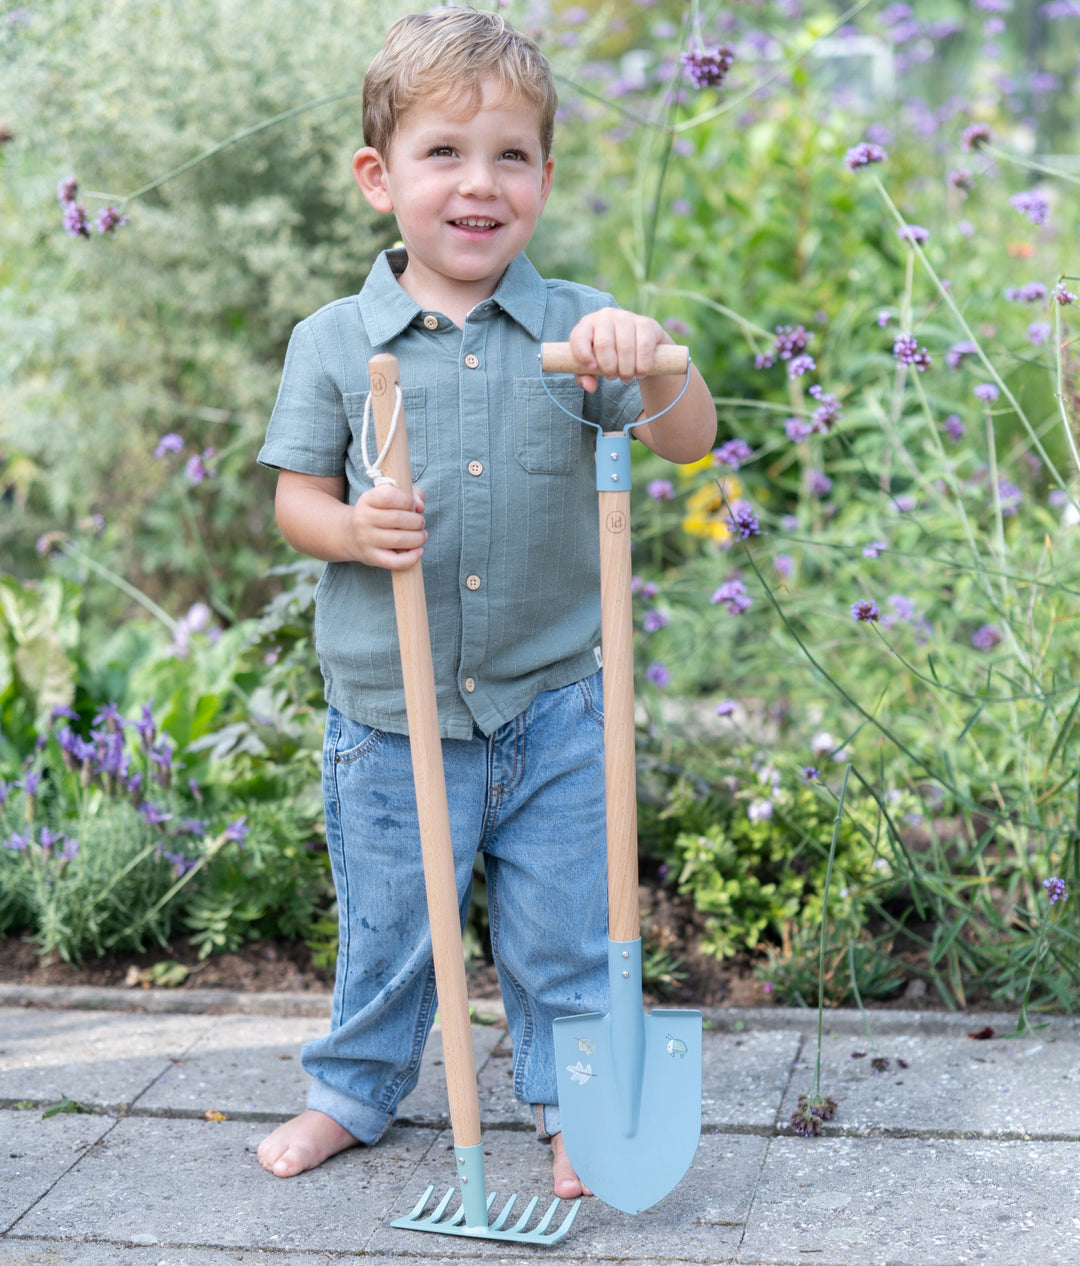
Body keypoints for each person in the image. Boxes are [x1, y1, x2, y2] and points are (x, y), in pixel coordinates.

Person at [256, 6, 716, 1200]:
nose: (480, 183)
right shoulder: (335, 341)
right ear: (379, 177)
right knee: (396, 931)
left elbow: (688, 445)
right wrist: (352, 528)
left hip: (555, 705)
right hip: (389, 713)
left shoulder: (581, 332)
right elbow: (294, 503)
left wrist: (658, 357)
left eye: (511, 155)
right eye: (444, 153)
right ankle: (351, 1092)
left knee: (567, 929)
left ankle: (574, 1110)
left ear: (546, 178)